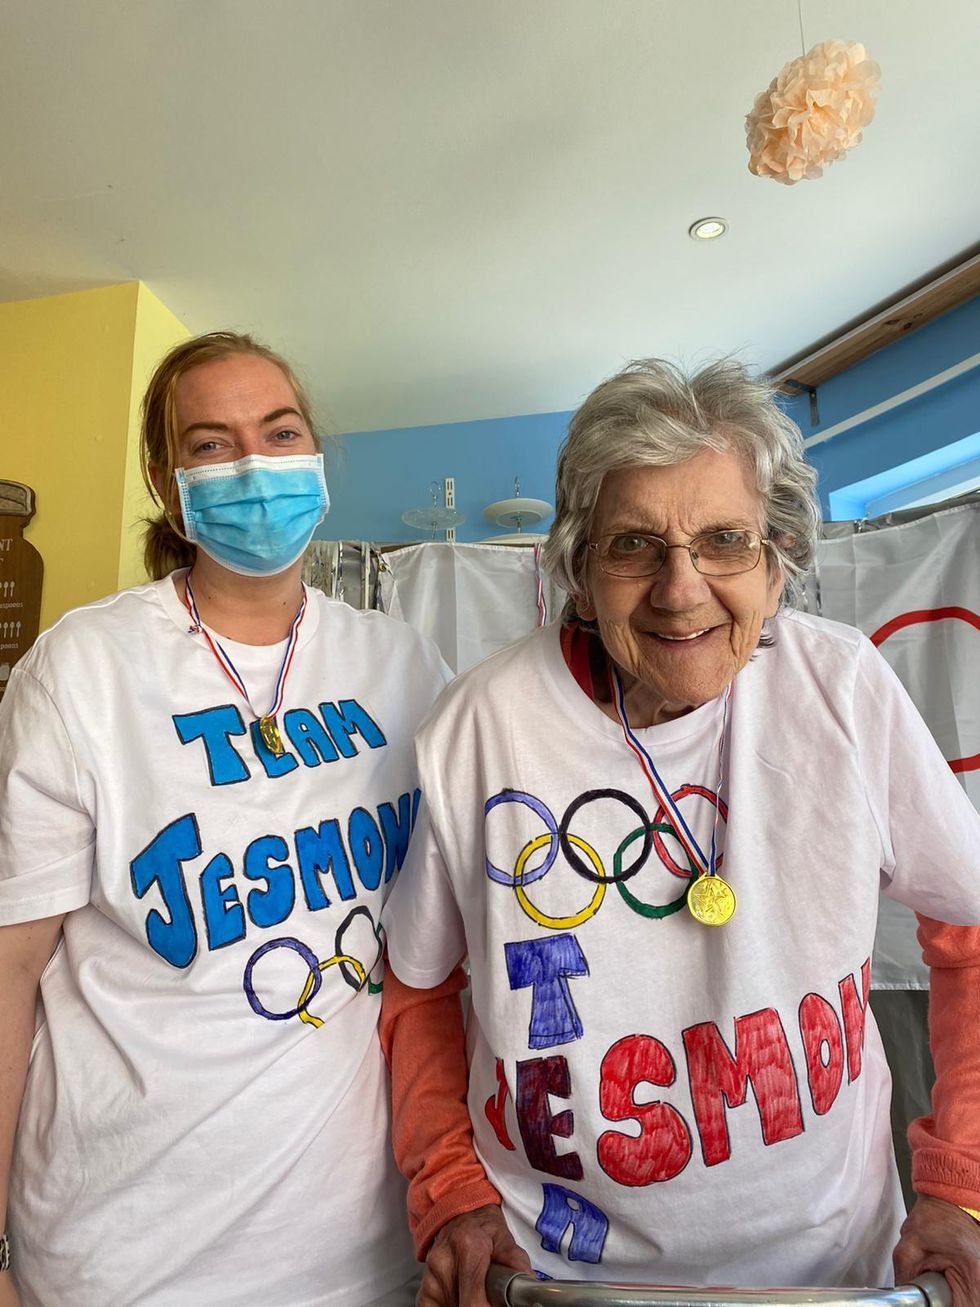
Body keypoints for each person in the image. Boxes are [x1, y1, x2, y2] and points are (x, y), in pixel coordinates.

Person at [382, 358, 980, 1305]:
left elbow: (971, 932)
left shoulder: (845, 689)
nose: (680, 588)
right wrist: (450, 1191)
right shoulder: (477, 726)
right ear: (579, 567)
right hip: (554, 1282)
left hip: (828, 1281)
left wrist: (963, 1183)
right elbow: (415, 989)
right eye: (633, 545)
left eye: (725, 541)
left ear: (778, 557)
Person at [0, 332, 449, 1307]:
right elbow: (7, 972)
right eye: (210, 444)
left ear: (314, 452)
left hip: (367, 1257)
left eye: (279, 430)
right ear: (166, 485)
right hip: (121, 1259)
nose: (254, 464)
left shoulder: (404, 666)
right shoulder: (82, 671)